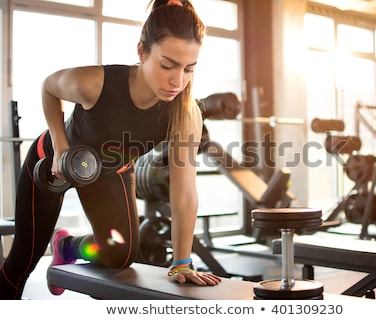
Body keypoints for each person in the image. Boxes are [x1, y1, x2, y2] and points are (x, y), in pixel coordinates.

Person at [0, 0, 222, 300]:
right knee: (23, 259)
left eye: (189, 69)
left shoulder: (184, 114)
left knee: (121, 253)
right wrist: (62, 147)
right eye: (167, 65)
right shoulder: (96, 83)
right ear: (142, 51)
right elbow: (49, 87)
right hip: (55, 161)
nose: (177, 81)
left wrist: (180, 262)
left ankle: (67, 246)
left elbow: (183, 192)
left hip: (109, 170)